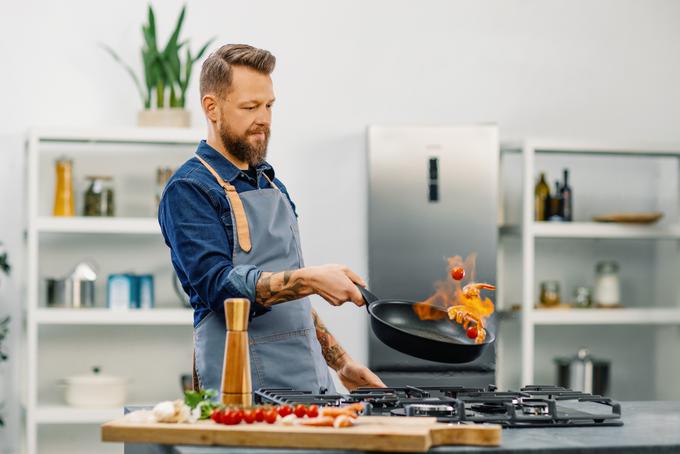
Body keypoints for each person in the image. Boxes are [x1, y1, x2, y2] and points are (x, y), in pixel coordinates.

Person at [159, 44, 385, 394]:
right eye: (250, 107)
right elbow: (220, 288)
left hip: (310, 384)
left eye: (269, 105)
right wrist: (310, 279)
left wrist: (340, 362)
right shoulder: (189, 189)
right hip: (243, 392)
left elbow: (289, 295)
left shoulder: (272, 184)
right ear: (212, 108)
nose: (263, 118)